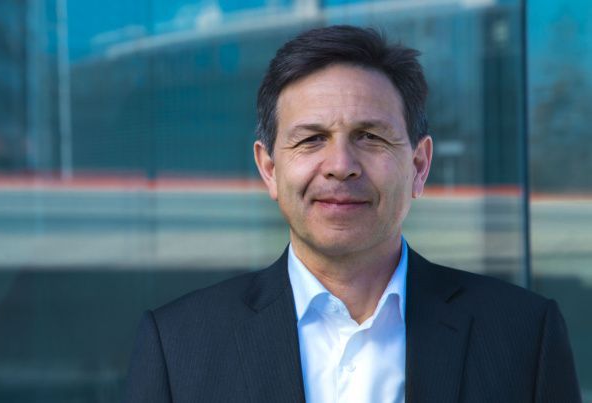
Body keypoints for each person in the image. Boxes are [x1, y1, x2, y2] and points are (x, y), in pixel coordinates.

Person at [124, 25, 581, 402]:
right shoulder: (178, 345)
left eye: (370, 137)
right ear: (269, 169)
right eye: (311, 139)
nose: (341, 166)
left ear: (419, 165)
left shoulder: (523, 336)